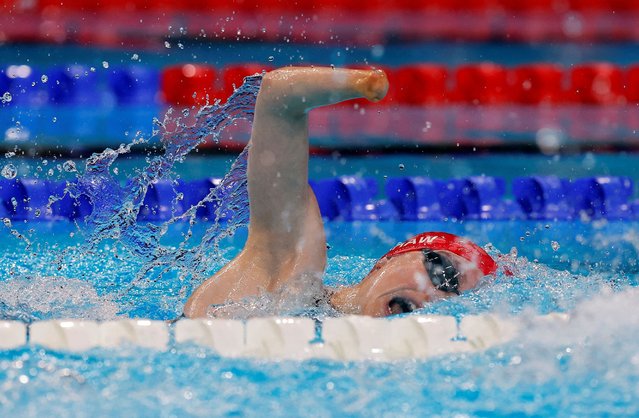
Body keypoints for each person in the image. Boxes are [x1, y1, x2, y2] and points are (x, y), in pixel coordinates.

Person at [183, 66, 498, 318]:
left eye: (456, 304)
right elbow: (279, 96)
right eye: (443, 273)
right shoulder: (285, 275)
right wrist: (362, 83)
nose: (438, 296)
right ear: (386, 260)